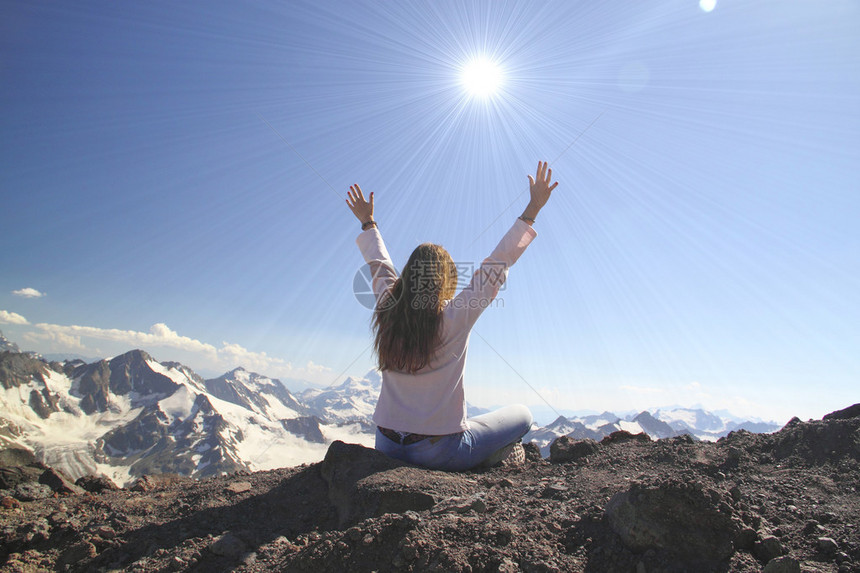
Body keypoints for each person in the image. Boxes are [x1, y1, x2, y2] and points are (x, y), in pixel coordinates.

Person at [346, 161, 558, 471]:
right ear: (446, 281)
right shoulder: (456, 316)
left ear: (409, 275)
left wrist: (368, 222)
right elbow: (496, 265)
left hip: (386, 446)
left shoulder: (388, 309)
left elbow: (379, 264)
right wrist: (532, 209)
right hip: (438, 452)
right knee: (523, 414)